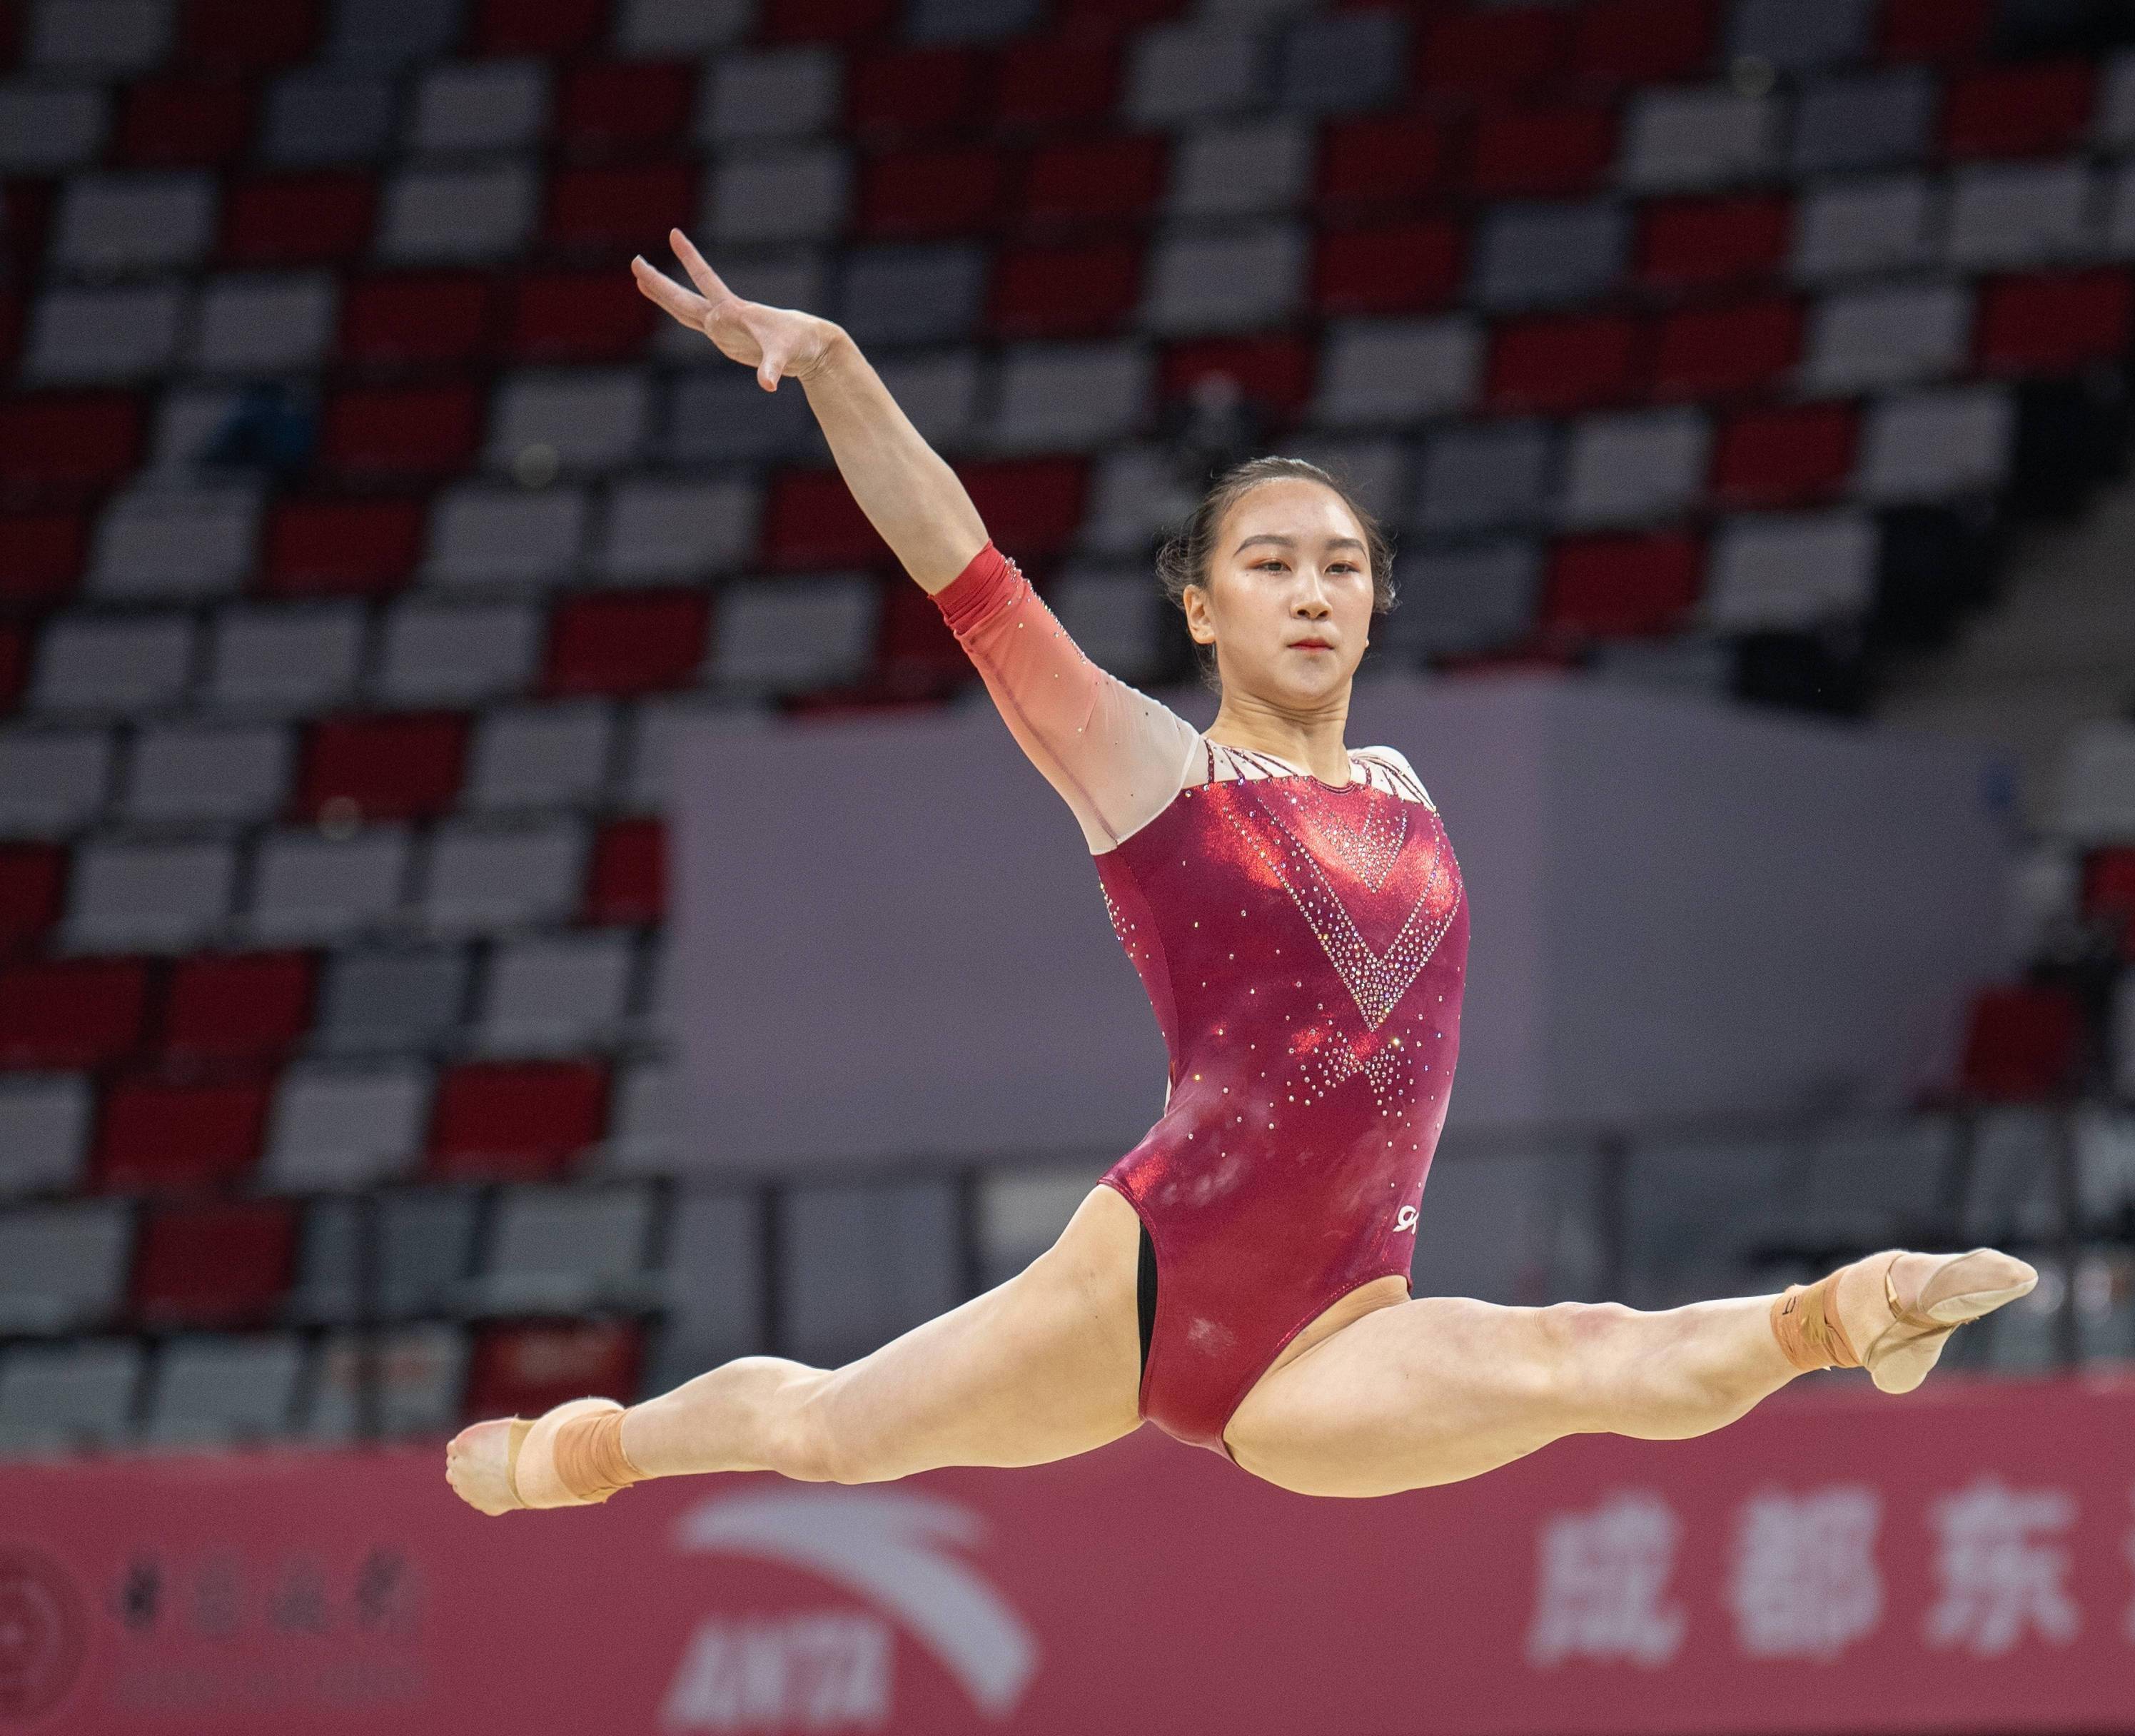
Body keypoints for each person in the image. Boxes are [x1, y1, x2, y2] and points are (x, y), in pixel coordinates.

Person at [443, 231, 2036, 1515]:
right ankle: (595, 1449)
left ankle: (1851, 1316)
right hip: (1150, 1273)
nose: (1310, 592)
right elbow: (968, 577)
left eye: (1340, 565)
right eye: (1266, 565)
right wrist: (842, 373)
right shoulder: (1156, 773)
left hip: (1343, 1325)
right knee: (830, 1432)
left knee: (1575, 1357)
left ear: (1377, 602)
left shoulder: (1407, 785)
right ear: (1200, 609)